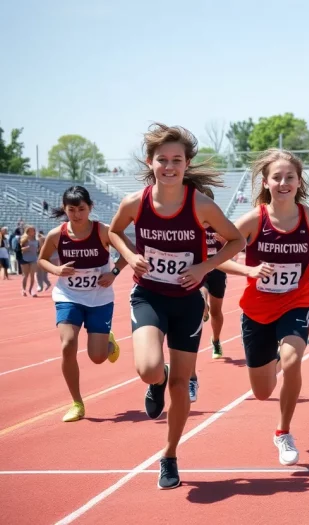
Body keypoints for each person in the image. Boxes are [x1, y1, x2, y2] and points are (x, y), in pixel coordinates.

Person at [109, 123, 245, 489]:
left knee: (183, 385)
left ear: (187, 164)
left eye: (177, 160)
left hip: (187, 299)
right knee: (150, 369)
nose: (169, 166)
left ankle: (169, 456)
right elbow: (114, 231)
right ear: (150, 162)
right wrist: (129, 253)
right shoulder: (135, 202)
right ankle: (158, 380)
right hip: (150, 294)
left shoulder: (200, 204)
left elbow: (236, 240)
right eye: (162, 160)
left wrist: (203, 267)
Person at [218, 148, 309, 467]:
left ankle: (283, 431)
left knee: (294, 358)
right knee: (262, 391)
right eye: (277, 177)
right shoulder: (254, 219)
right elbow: (217, 257)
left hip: (296, 301)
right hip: (256, 310)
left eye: (290, 177)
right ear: (266, 182)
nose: (284, 182)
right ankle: (274, 362)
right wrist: (248, 271)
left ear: (299, 182)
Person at [37, 186, 125, 422]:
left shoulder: (104, 231)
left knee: (97, 357)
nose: (76, 214)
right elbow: (42, 259)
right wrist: (56, 269)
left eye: (81, 209)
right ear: (65, 210)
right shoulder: (57, 235)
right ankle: (77, 402)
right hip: (69, 296)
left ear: (90, 207)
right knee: (68, 344)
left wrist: (114, 272)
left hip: (100, 298)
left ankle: (108, 340)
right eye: (71, 210)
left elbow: (129, 252)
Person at [189, 188, 230, 402]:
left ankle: (215, 340)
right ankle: (201, 303)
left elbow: (233, 245)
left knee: (217, 311)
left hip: (218, 269)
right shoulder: (189, 221)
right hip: (198, 270)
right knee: (200, 293)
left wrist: (221, 239)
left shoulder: (218, 221)